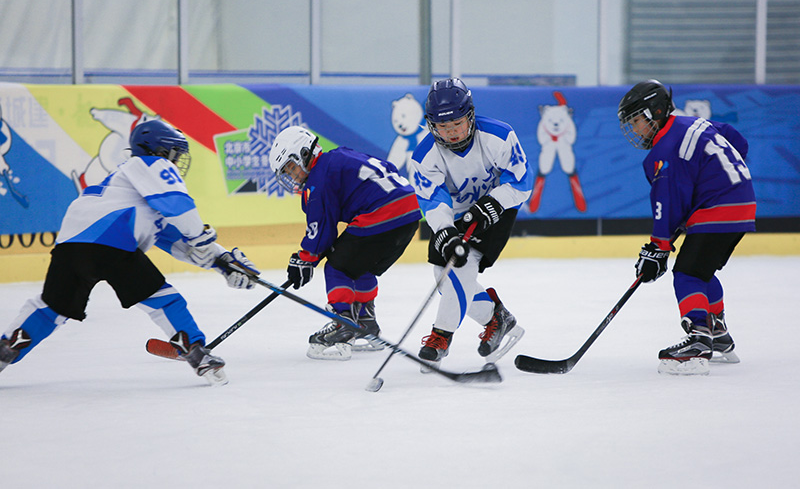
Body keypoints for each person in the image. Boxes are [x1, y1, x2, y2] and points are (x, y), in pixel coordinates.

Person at [0, 119, 259, 386]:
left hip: (71, 245)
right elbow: (178, 205)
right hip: (113, 240)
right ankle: (196, 352)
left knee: (50, 308)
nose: (177, 162)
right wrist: (203, 240)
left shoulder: (128, 192)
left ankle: (6, 348)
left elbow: (179, 242)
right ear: (162, 151)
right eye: (175, 154)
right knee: (165, 301)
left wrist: (223, 262)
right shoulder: (148, 164)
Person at [618, 79, 756, 376]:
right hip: (742, 202)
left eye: (637, 120)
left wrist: (658, 247)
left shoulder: (665, 149)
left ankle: (698, 341)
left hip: (718, 207)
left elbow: (668, 202)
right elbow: (737, 141)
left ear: (654, 113)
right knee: (702, 270)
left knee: (688, 273)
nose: (635, 128)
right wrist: (715, 179)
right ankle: (718, 334)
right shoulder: (691, 124)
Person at [269, 125, 422, 361]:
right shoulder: (341, 156)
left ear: (303, 153)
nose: (292, 175)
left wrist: (305, 258)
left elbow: (321, 230)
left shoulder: (319, 177)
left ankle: (343, 323)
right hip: (409, 213)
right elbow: (389, 170)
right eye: (288, 172)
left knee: (337, 266)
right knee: (360, 266)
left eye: (291, 167)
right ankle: (365, 322)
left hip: (381, 213)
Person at [408, 78, 531, 368]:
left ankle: (440, 336)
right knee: (444, 276)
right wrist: (447, 232)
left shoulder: (499, 136)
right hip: (454, 213)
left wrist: (496, 201)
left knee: (463, 266)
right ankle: (497, 317)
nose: (450, 133)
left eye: (457, 124)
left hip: (496, 206)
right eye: (443, 126)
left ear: (471, 116)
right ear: (431, 124)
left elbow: (521, 182)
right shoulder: (423, 157)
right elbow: (434, 201)